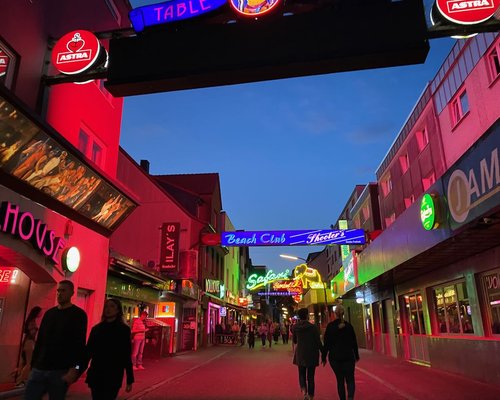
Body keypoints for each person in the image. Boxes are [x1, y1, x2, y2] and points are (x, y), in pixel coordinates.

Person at [24, 280, 87, 400]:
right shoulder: (49, 314)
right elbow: (41, 341)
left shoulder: (78, 315)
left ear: (71, 293)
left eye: (63, 290)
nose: (59, 293)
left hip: (60, 370)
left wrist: (76, 369)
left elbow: (79, 345)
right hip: (40, 367)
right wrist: (32, 366)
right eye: (58, 290)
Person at [85, 299, 134, 400]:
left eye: (112, 306)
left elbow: (126, 355)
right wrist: (76, 369)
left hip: (113, 374)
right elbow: (87, 353)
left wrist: (130, 379)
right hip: (96, 373)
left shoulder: (123, 330)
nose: (108, 309)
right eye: (106, 306)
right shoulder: (96, 329)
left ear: (117, 310)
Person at [322, 305, 359, 400]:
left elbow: (326, 343)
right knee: (350, 379)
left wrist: (323, 357)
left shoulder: (330, 327)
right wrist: (356, 355)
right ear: (343, 313)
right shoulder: (349, 326)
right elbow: (354, 342)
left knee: (340, 380)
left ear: (335, 314)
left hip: (335, 358)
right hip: (348, 357)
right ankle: (350, 397)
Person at [293, 309, 322, 400]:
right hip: (311, 353)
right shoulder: (313, 327)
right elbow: (318, 341)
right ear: (307, 316)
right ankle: (311, 395)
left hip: (300, 353)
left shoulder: (295, 327)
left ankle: (304, 391)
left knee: (301, 374)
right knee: (311, 376)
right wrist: (324, 352)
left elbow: (294, 340)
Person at [13, 307, 42, 387]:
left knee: (25, 362)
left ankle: (21, 380)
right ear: (36, 312)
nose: (41, 313)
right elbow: (31, 332)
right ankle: (20, 381)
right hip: (29, 342)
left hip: (28, 342)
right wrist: (36, 329)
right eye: (40, 312)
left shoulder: (31, 320)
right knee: (28, 363)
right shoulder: (32, 321)